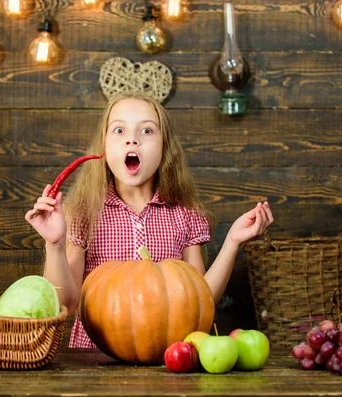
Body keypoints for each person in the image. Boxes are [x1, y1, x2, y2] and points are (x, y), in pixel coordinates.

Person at [25, 91, 274, 348]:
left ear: (165, 147)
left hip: (166, 357)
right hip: (94, 359)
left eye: (146, 131)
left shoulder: (185, 214)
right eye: (119, 131)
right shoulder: (83, 213)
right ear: (104, 147)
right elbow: (66, 303)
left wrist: (232, 241)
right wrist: (54, 244)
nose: (131, 140)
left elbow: (200, 299)